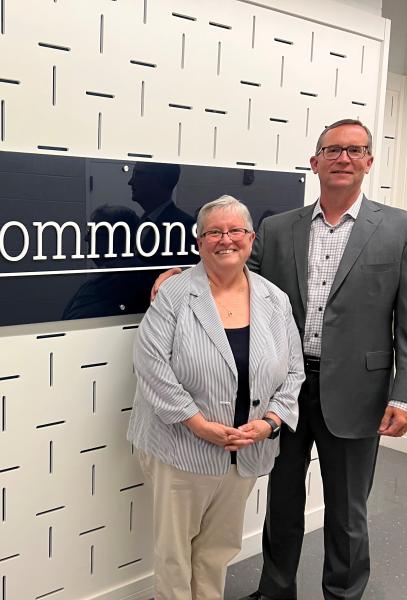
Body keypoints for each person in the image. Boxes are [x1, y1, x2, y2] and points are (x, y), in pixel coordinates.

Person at [151, 119, 407, 600]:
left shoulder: (401, 229)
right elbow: (232, 271)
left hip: (359, 394)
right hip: (284, 390)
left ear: (368, 161)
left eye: (354, 150)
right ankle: (274, 591)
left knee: (347, 510)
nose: (342, 158)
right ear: (315, 161)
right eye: (332, 150)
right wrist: (180, 273)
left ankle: (342, 594)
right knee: (281, 501)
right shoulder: (279, 228)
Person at [129, 195, 304, 600]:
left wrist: (272, 421)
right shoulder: (175, 294)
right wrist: (196, 423)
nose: (226, 239)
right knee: (174, 554)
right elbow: (150, 365)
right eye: (214, 232)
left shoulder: (274, 300)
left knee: (218, 550)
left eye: (236, 230)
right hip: (180, 446)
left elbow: (294, 371)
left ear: (251, 238)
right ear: (199, 241)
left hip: (244, 450)